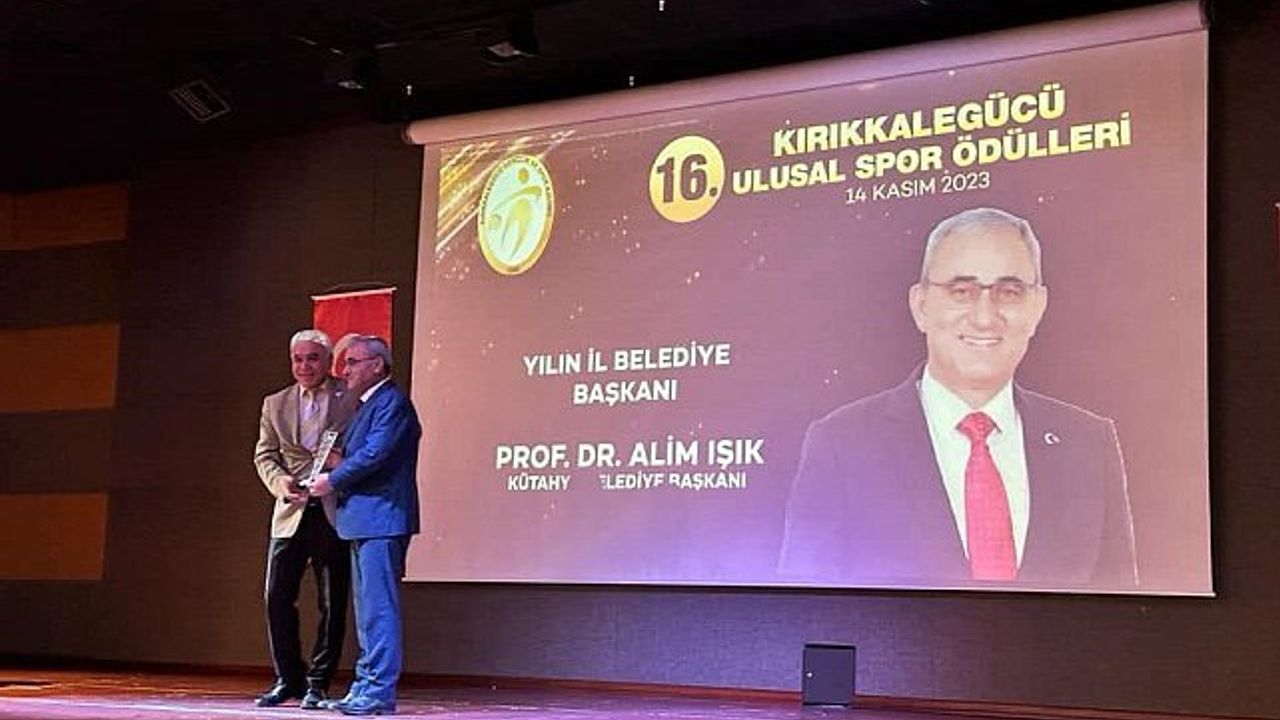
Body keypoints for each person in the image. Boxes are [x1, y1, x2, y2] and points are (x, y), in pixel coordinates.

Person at [778, 207, 1138, 591]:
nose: (984, 317)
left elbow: (1125, 614)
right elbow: (805, 614)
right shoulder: (843, 445)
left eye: (1009, 292)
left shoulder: (1089, 445)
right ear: (921, 306)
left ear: (1037, 307)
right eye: (961, 291)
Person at [309, 335, 421, 716]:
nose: (345, 371)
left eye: (353, 362)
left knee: (378, 609)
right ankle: (364, 686)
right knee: (367, 611)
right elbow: (364, 456)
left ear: (377, 365)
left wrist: (331, 480)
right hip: (363, 519)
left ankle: (377, 691)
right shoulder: (366, 405)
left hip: (381, 518)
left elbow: (376, 455)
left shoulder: (392, 402)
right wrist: (332, 461)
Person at [253, 329, 355, 709]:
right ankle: (288, 679)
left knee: (333, 602)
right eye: (298, 359)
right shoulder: (275, 403)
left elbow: (365, 449)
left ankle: (318, 683)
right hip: (291, 511)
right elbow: (265, 455)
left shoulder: (351, 397)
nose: (304, 366)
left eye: (312, 358)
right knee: (276, 597)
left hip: (333, 510)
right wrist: (279, 482)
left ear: (328, 361)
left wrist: (342, 467)